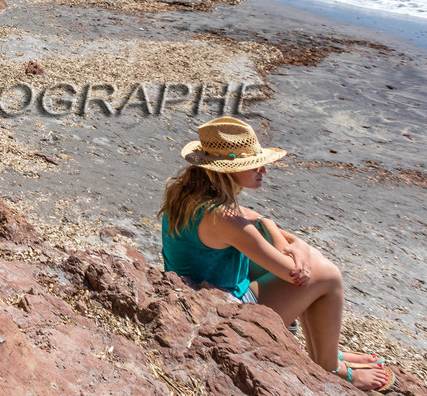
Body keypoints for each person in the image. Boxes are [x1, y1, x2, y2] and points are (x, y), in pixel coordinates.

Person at [159, 117, 394, 391]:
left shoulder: (186, 195)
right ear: (227, 171)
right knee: (327, 276)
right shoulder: (227, 219)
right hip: (223, 310)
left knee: (307, 260)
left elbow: (255, 228)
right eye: (252, 164)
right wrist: (293, 241)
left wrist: (287, 239)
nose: (264, 169)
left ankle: (325, 349)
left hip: (195, 292)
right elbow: (294, 273)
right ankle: (330, 365)